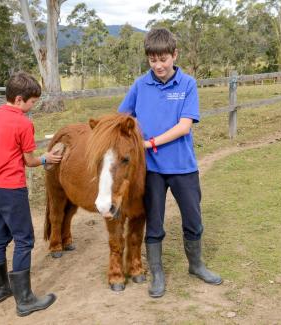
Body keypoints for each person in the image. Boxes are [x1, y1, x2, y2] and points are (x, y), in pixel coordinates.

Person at [118, 28, 222, 298]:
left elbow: (184, 126)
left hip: (183, 167)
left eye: (163, 59)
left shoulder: (187, 84)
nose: (159, 66)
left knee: (193, 219)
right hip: (151, 171)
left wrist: (149, 143)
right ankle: (158, 274)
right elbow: (122, 118)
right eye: (153, 60)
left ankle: (196, 265)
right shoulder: (140, 85)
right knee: (154, 224)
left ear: (175, 55)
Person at [0, 72, 62, 316]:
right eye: (32, 102)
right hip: (11, 188)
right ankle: (25, 300)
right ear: (20, 99)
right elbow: (29, 161)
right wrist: (46, 159)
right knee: (24, 239)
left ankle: (1, 289)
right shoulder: (23, 123)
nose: (33, 106)